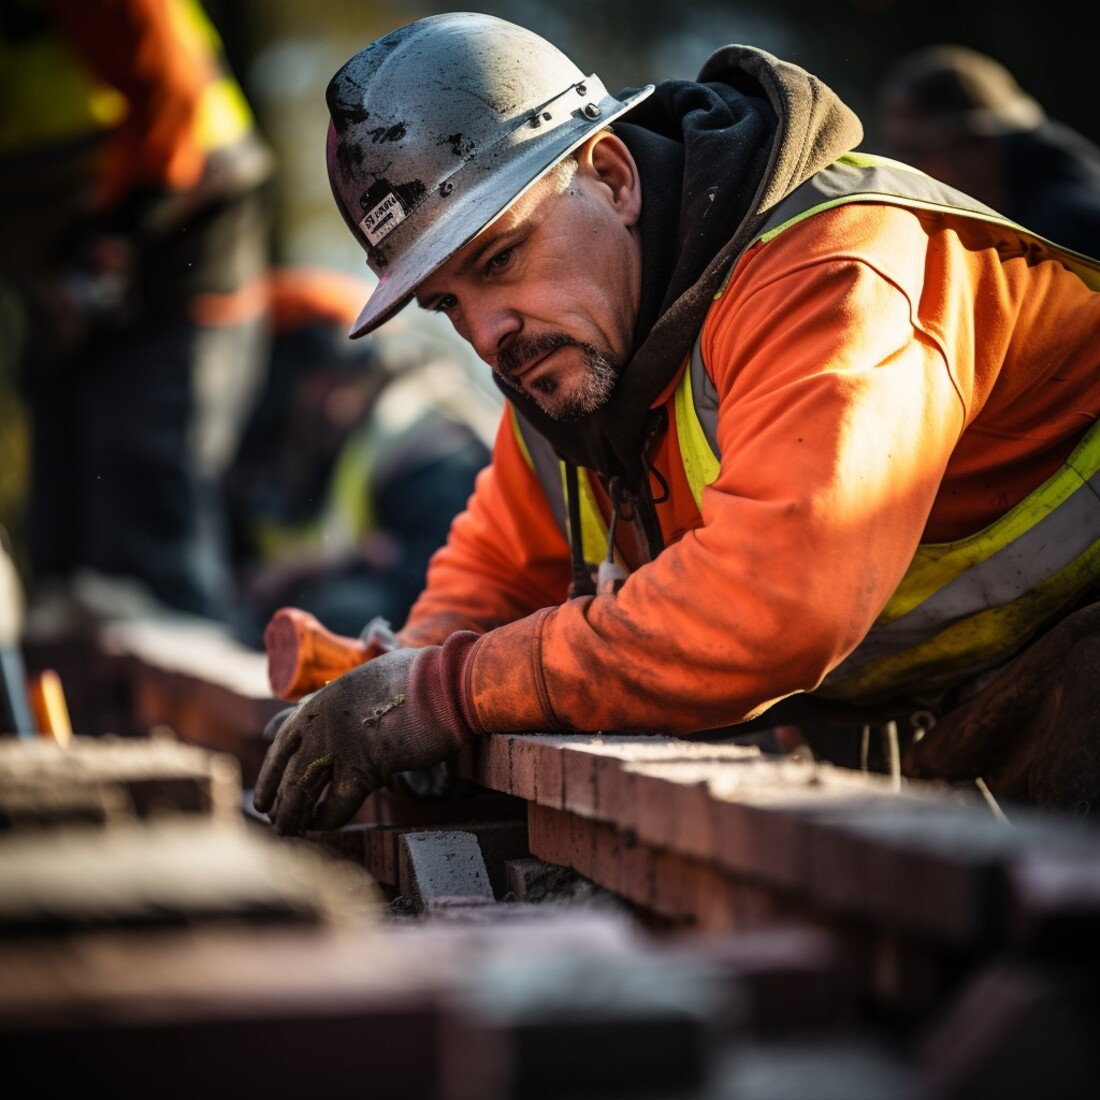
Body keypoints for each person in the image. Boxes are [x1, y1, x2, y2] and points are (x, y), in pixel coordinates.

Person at [254, 12, 1100, 837]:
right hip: (981, 706)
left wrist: (445, 690)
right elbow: (497, 580)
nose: (486, 336)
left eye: (500, 257)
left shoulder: (834, 272)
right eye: (448, 304)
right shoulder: (574, 368)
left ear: (613, 178)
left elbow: (770, 608)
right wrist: (393, 682)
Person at [0, 0, 274, 625]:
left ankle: (182, 655)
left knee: (147, 465)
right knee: (61, 497)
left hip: (184, 208)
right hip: (56, 252)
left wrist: (113, 236)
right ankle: (67, 679)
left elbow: (171, 98)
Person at [224, 266, 498, 647]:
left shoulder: (427, 440)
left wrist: (350, 562)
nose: (325, 400)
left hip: (451, 636)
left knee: (341, 611)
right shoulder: (325, 439)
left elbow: (453, 585)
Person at [871, 44, 1100, 258]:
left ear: (977, 150)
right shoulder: (1027, 212)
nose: (900, 174)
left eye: (910, 154)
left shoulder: (1061, 235)